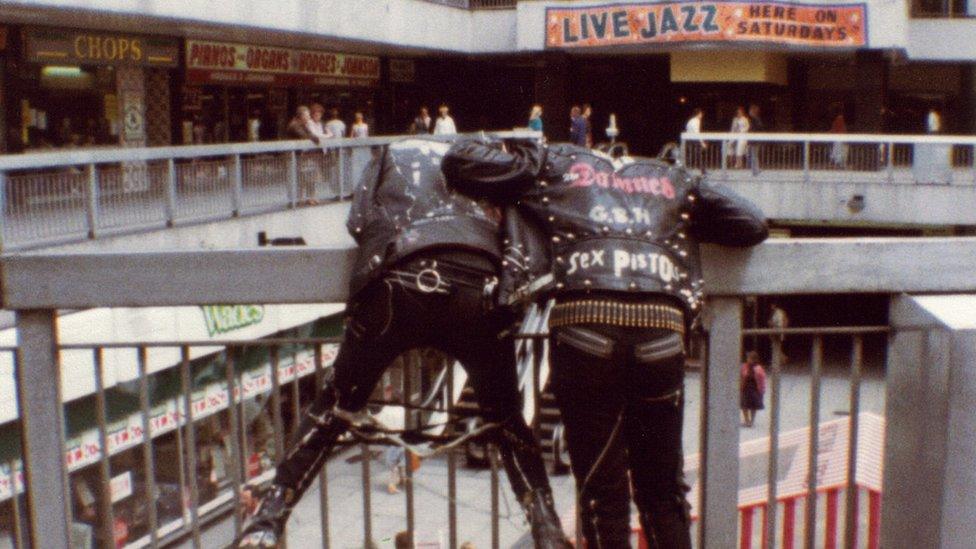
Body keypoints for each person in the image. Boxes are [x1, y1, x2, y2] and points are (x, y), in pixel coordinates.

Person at [236, 138, 572, 549]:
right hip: (475, 290)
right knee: (506, 420)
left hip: (399, 283)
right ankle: (545, 525)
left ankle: (269, 519)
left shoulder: (393, 154)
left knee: (333, 409)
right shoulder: (491, 168)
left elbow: (360, 223)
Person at [442, 138, 768, 548]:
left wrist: (526, 154)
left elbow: (460, 162)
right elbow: (752, 223)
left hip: (583, 332)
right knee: (664, 494)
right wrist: (687, 207)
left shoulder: (554, 167)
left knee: (602, 495)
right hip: (661, 333)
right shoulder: (674, 177)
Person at [740, 351, 767, 427]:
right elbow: (741, 376)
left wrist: (762, 390)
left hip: (754, 389)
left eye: (749, 358)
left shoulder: (758, 368)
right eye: (747, 358)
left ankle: (752, 421)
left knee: (753, 406)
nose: (748, 360)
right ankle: (746, 420)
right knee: (744, 405)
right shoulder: (744, 366)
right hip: (745, 388)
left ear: (754, 360)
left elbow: (762, 379)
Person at [685, 108, 708, 173]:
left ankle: (690, 167)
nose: (701, 115)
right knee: (698, 155)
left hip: (689, 140)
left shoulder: (691, 120)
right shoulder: (696, 121)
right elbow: (696, 132)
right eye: (701, 114)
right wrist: (702, 142)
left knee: (693, 155)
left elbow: (687, 129)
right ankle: (702, 169)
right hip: (694, 140)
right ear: (698, 114)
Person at [747, 104, 765, 175]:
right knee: (753, 155)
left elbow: (759, 127)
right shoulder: (754, 119)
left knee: (754, 156)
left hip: (754, 140)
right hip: (753, 140)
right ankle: (755, 170)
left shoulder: (756, 119)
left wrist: (753, 132)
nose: (749, 112)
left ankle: (755, 171)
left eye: (750, 110)